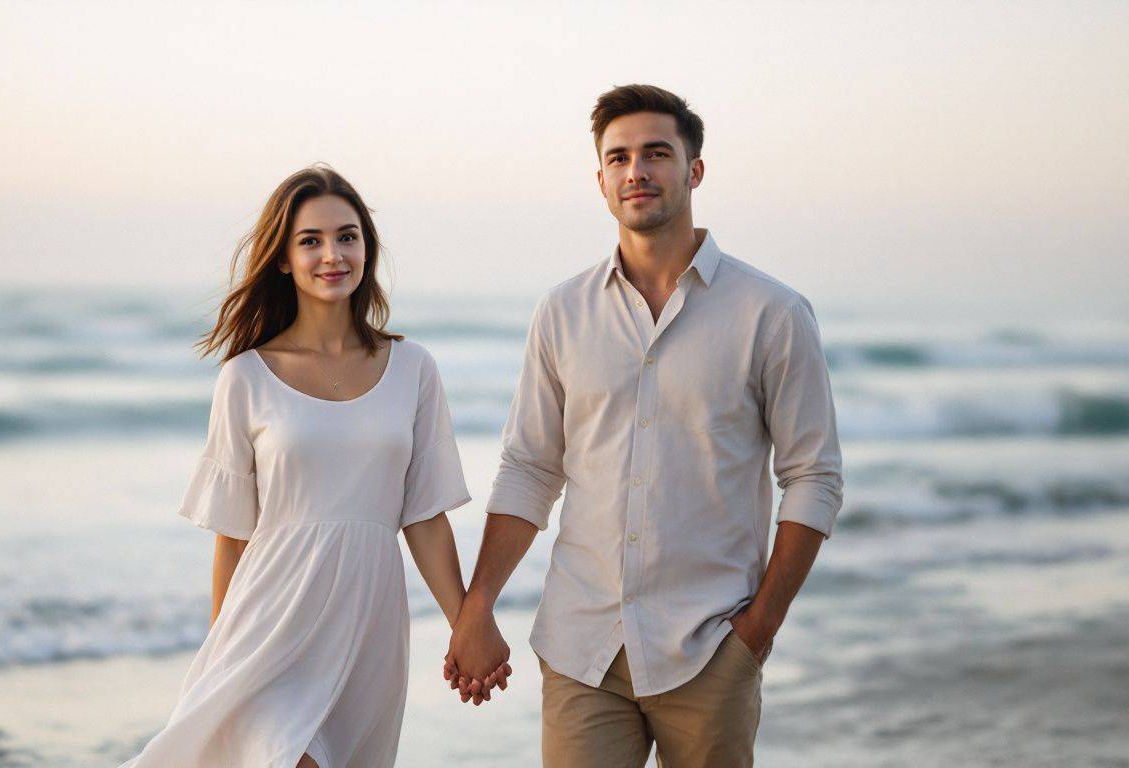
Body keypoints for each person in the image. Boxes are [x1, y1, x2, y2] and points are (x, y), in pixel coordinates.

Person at [443, 84, 845, 767]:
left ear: (694, 171)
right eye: (619, 157)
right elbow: (531, 468)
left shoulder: (771, 312)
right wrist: (477, 606)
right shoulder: (563, 312)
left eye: (657, 153)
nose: (637, 171)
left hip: (711, 645)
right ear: (600, 178)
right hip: (582, 646)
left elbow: (813, 477)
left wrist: (759, 629)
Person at [120, 165, 503, 768]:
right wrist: (223, 653)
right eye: (311, 240)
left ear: (366, 249)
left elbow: (424, 518)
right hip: (269, 624)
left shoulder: (413, 369)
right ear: (282, 259)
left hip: (369, 627)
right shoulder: (245, 376)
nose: (333, 254)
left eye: (348, 237)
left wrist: (467, 627)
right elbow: (232, 536)